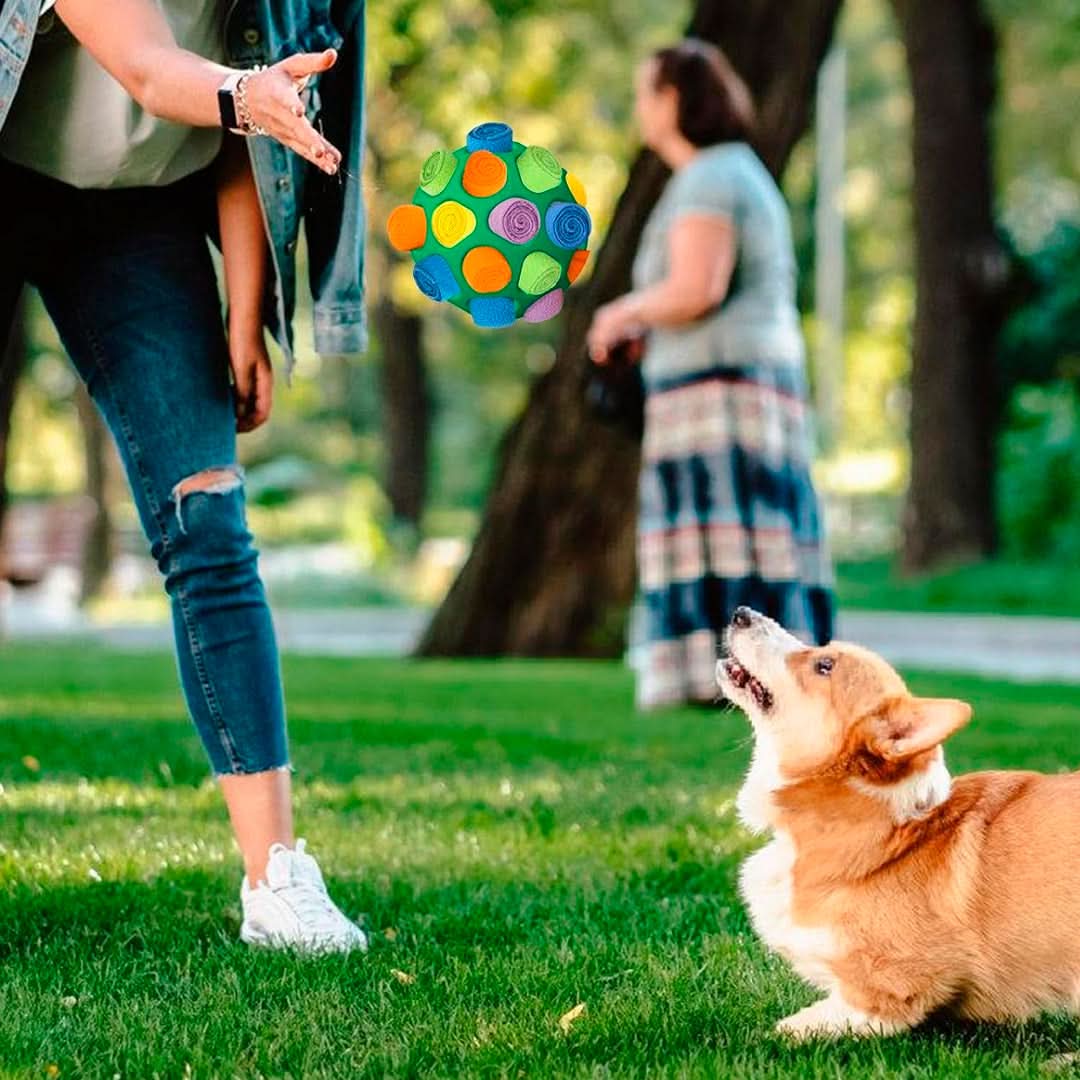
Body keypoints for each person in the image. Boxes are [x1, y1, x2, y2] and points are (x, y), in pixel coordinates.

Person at [0, 0, 368, 951]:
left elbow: (248, 125)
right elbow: (156, 70)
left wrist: (245, 308)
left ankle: (278, 882)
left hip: (138, 219)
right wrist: (249, 95)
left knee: (207, 520)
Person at [587, 39, 834, 710]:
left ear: (674, 99)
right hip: (728, 378)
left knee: (724, 539)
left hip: (722, 392)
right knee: (754, 539)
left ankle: (720, 682)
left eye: (646, 91)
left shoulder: (711, 178)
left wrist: (620, 313)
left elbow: (698, 287)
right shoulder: (725, 173)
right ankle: (760, 682)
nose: (641, 106)